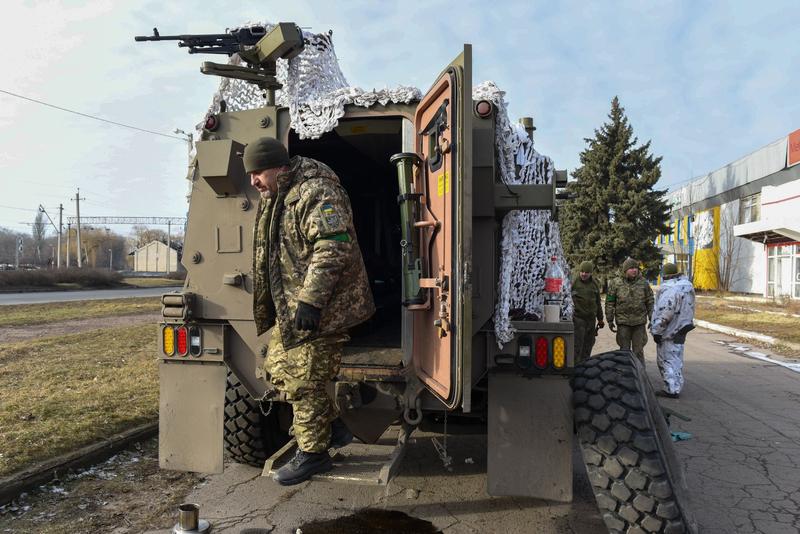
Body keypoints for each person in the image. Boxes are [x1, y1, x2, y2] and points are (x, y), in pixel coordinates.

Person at [245, 137, 375, 485]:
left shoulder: (316, 191)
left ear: (278, 166)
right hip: (293, 307)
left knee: (303, 380)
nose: (253, 181)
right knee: (276, 370)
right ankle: (332, 428)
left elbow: (334, 245)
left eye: (257, 172)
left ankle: (314, 454)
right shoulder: (279, 195)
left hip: (324, 307)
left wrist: (310, 301)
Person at [650, 263, 695, 398]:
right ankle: (676, 385)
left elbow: (665, 313)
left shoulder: (669, 290)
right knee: (677, 358)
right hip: (682, 328)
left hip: (668, 331)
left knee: (666, 359)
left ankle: (671, 389)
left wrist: (657, 331)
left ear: (665, 275)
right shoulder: (687, 287)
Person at [605, 257, 654, 365]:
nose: (634, 270)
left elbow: (650, 301)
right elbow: (610, 302)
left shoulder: (643, 283)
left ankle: (640, 374)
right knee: (624, 351)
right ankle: (624, 374)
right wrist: (609, 319)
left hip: (639, 323)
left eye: (636, 268)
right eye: (631, 268)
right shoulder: (615, 283)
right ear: (625, 270)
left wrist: (652, 318)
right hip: (623, 323)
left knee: (638, 351)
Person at [570, 260, 604, 363]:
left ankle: (585, 367)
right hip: (578, 319)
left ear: (591, 273)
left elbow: (598, 303)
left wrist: (600, 318)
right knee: (577, 345)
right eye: (582, 271)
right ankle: (575, 368)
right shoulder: (573, 283)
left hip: (591, 320)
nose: (584, 274)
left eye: (587, 272)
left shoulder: (594, 285)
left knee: (588, 345)